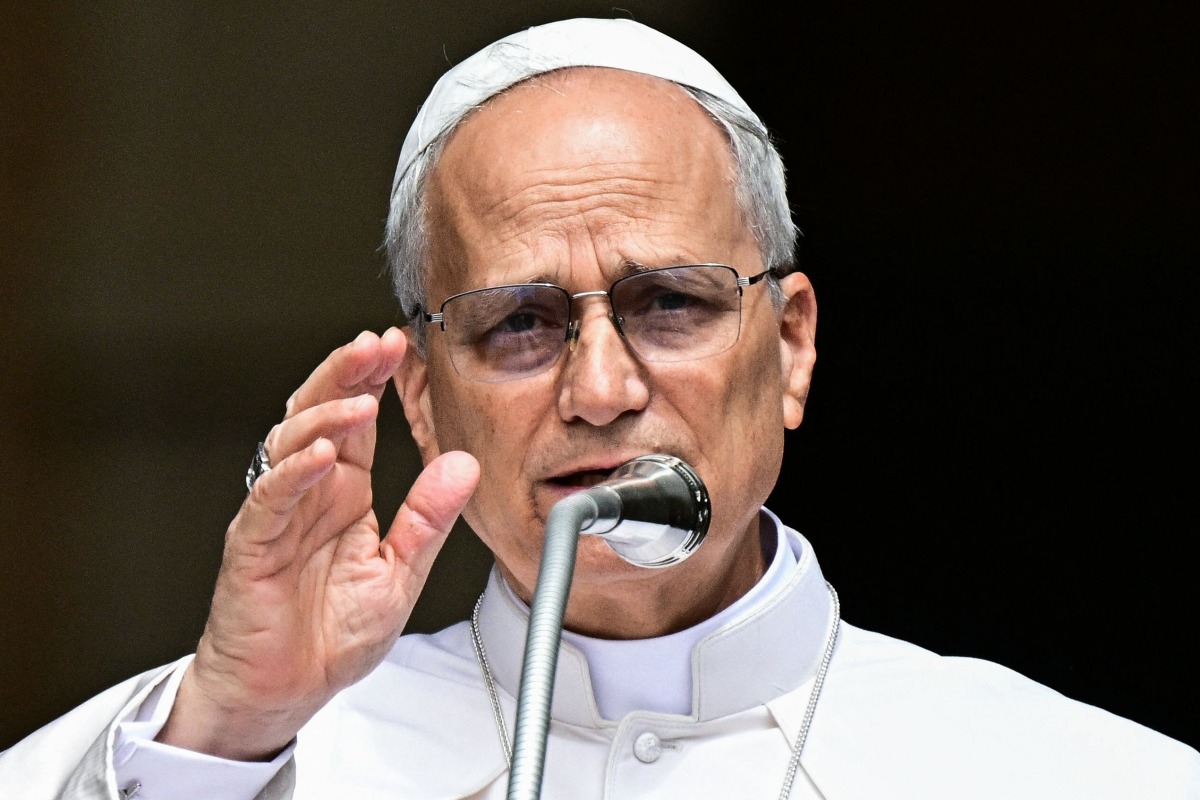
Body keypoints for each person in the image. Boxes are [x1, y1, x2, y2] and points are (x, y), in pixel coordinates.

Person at [2, 16, 1197, 800]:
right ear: (424, 401)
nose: (602, 391)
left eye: (669, 303)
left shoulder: (1077, 773)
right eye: (519, 324)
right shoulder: (217, 746)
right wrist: (232, 726)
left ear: (788, 349)